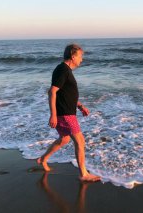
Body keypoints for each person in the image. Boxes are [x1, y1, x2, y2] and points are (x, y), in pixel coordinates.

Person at [37, 44, 100, 182]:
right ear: (73, 56)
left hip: (67, 111)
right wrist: (53, 114)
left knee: (64, 139)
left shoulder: (65, 70)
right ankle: (83, 174)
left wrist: (79, 105)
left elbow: (66, 93)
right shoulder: (62, 70)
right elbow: (52, 91)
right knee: (80, 141)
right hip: (64, 113)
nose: (81, 60)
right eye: (80, 56)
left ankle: (43, 159)